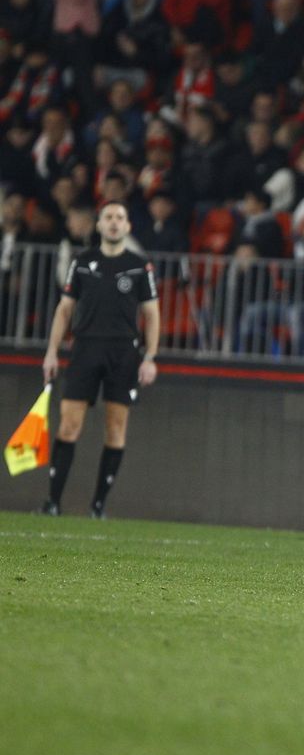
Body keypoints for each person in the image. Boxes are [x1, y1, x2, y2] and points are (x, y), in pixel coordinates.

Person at [39, 202, 160, 518]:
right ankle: (52, 503)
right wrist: (52, 351)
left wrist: (150, 357)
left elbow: (152, 313)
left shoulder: (138, 265)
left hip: (123, 352)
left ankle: (98, 507)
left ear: (128, 226)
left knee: (116, 428)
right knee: (68, 425)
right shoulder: (82, 262)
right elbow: (65, 309)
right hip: (85, 347)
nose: (114, 223)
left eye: (120, 217)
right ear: (99, 225)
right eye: (109, 217)